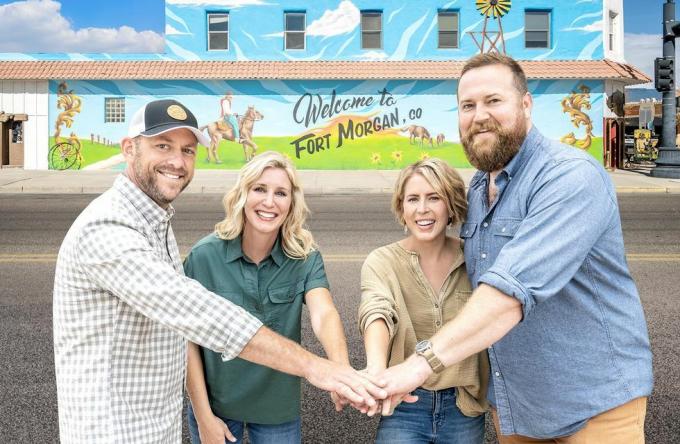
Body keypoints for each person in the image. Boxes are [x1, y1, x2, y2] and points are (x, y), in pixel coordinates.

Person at [52, 99, 386, 443]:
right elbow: (196, 314)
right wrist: (319, 369)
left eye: (188, 150)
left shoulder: (154, 221)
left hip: (152, 426)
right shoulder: (109, 226)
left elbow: (323, 312)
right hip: (113, 431)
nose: (177, 161)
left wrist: (340, 366)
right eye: (162, 146)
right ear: (128, 148)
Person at [374, 53, 653, 443]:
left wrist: (419, 364)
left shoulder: (568, 175)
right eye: (467, 106)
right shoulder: (476, 190)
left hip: (594, 406)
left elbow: (510, 291)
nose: (479, 115)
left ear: (525, 104)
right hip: (518, 408)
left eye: (493, 101)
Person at [184, 151, 351, 444]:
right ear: (243, 194)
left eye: (281, 193)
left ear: (292, 203)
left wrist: (341, 370)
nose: (269, 202)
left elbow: (323, 313)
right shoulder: (203, 256)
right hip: (217, 406)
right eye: (260, 189)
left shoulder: (305, 256)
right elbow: (186, 343)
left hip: (277, 409)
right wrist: (203, 416)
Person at [358, 158, 488, 443]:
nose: (422, 209)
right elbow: (376, 311)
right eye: (413, 199)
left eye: (434, 198)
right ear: (401, 207)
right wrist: (376, 368)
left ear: (451, 204)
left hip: (463, 406)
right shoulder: (382, 261)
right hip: (405, 403)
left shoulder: (475, 260)